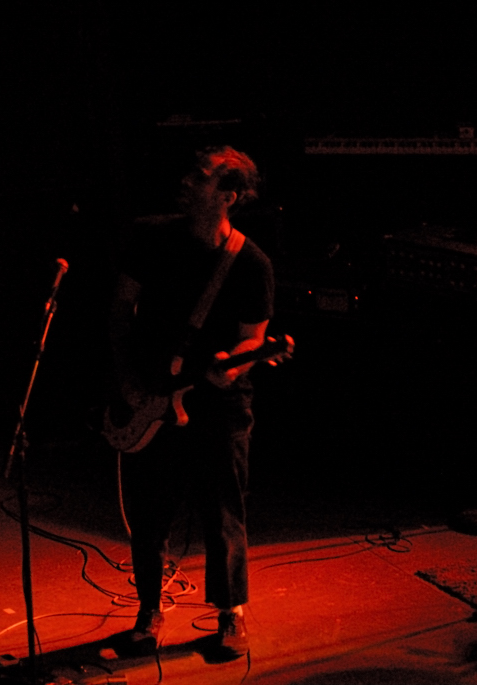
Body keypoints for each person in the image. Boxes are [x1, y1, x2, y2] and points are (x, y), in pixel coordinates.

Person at [108, 146, 275, 658]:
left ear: (228, 196)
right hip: (150, 393)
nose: (185, 182)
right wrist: (126, 381)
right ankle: (148, 611)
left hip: (219, 406)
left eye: (200, 178)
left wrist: (234, 367)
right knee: (149, 514)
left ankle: (230, 613)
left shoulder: (251, 263)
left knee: (223, 512)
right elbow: (119, 310)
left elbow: (254, 338)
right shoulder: (151, 236)